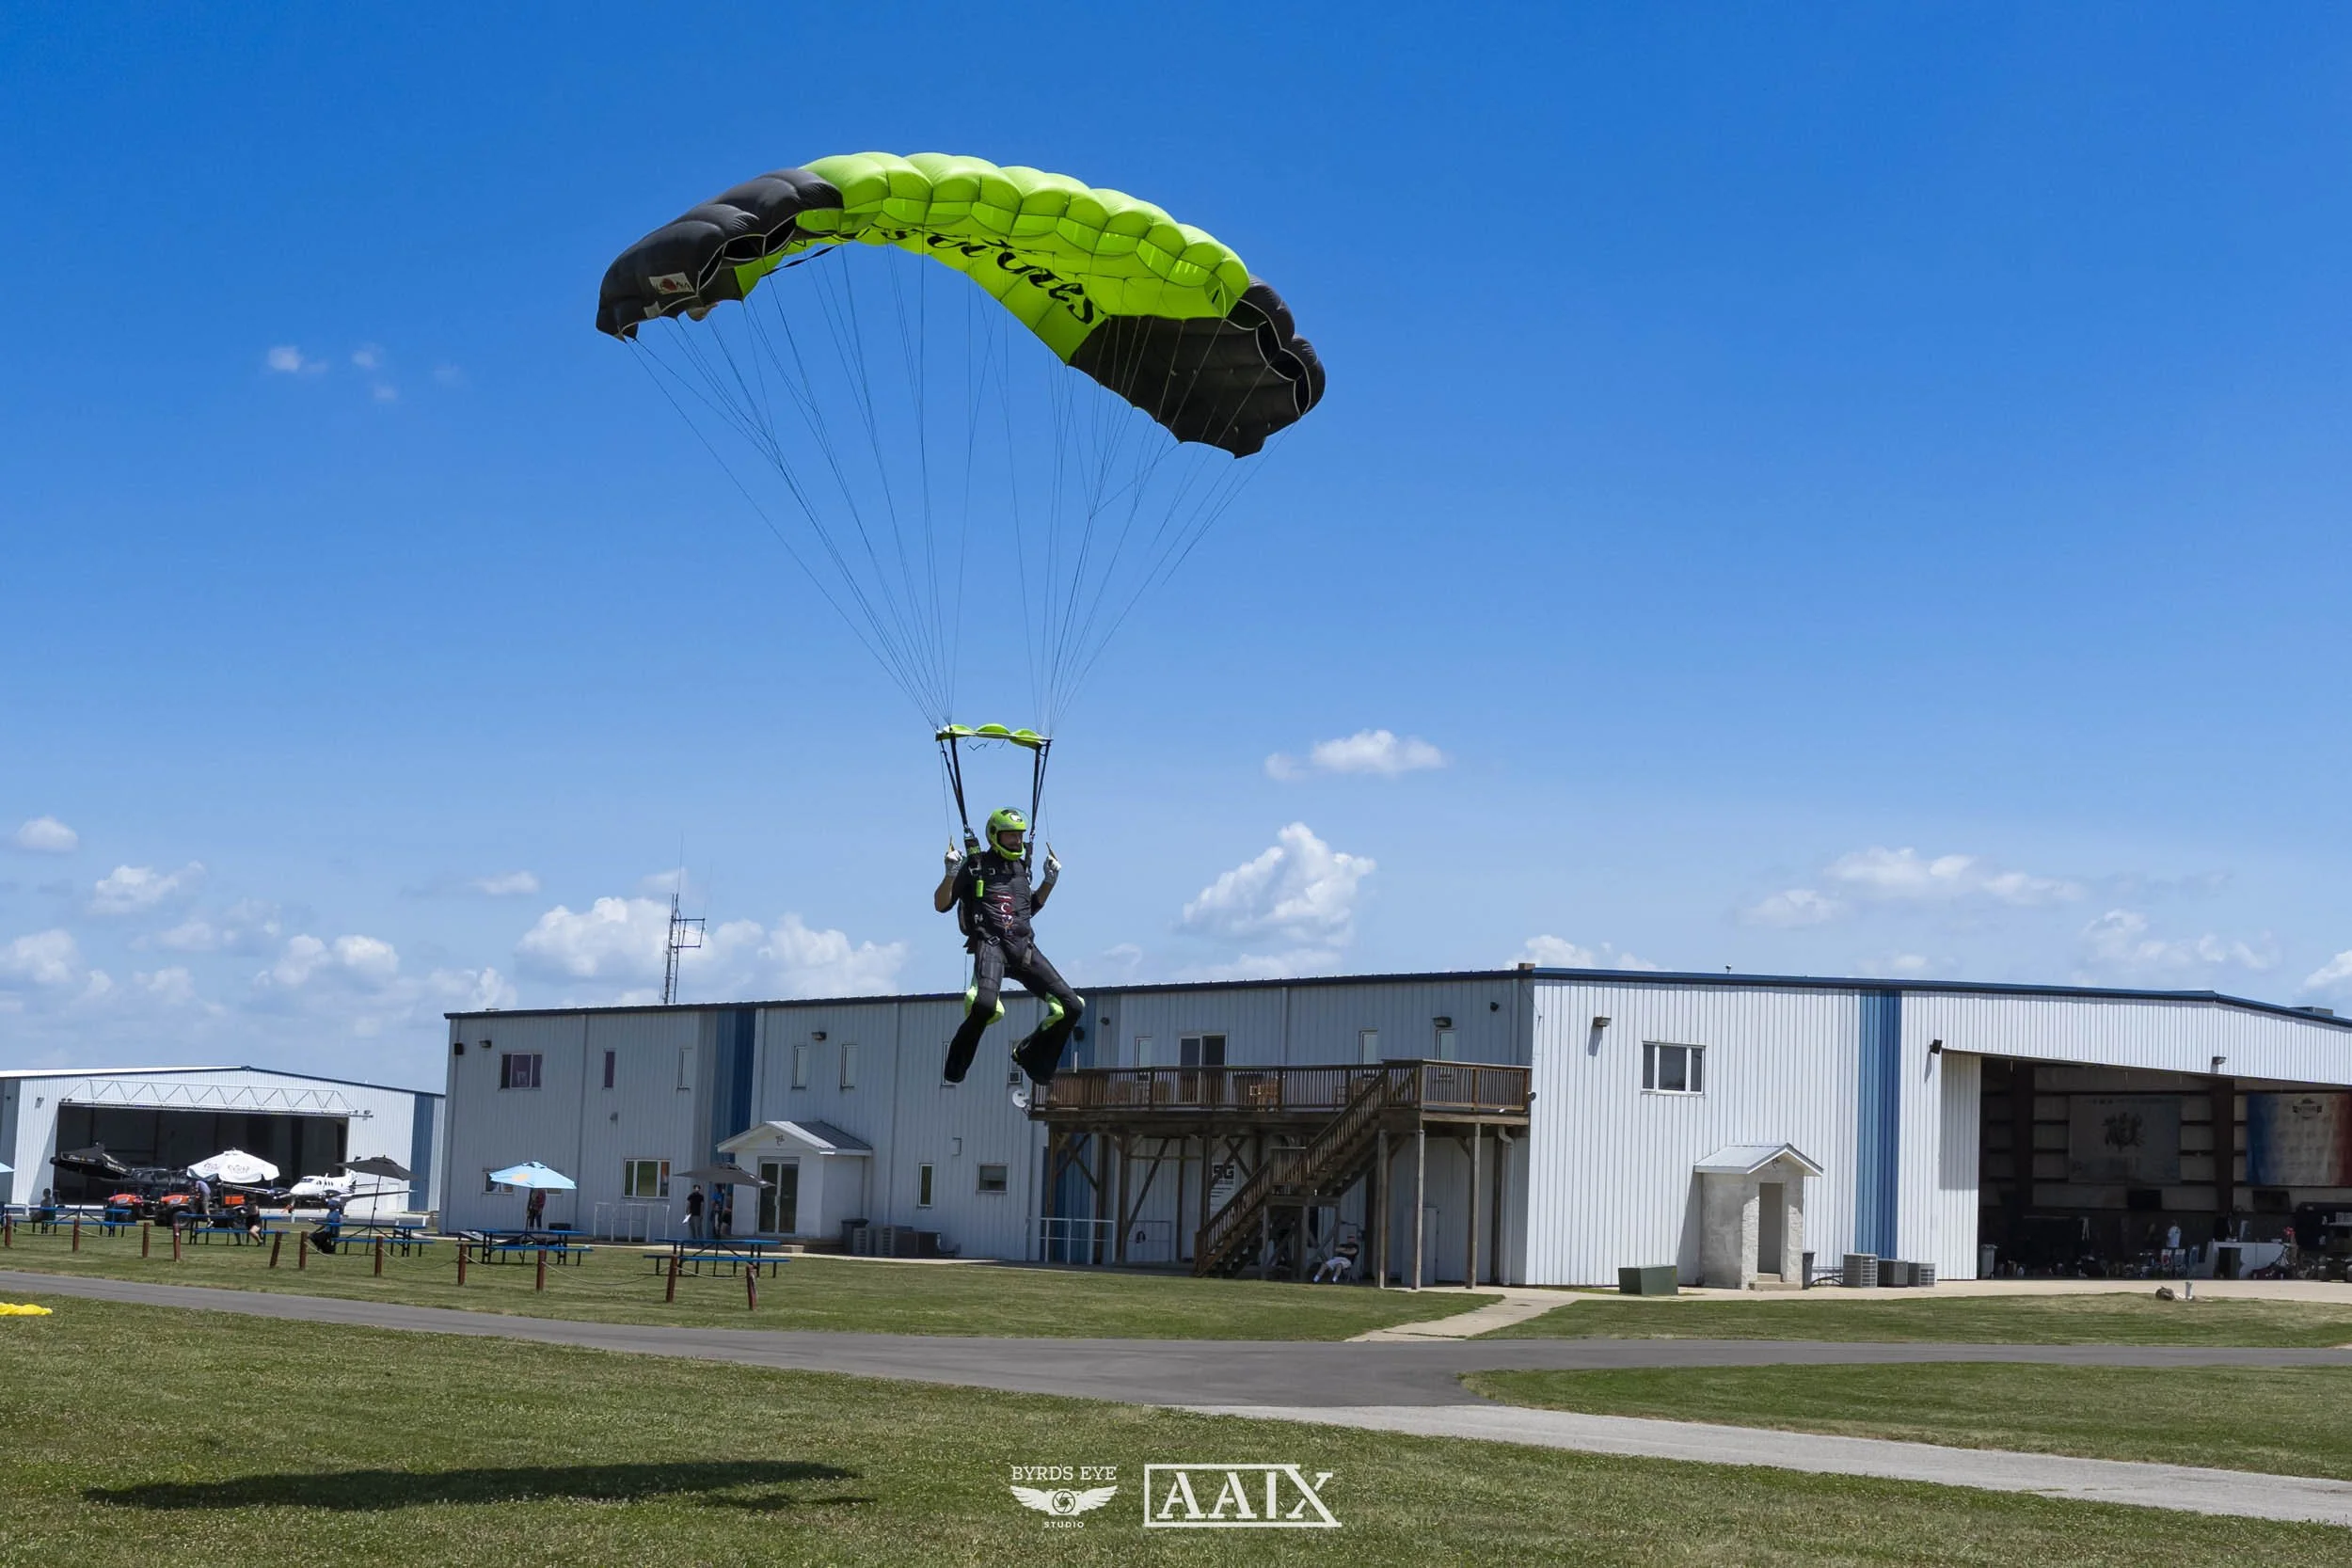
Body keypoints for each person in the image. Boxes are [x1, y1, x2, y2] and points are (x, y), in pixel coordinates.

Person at [934, 807, 1083, 1104]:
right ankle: (955, 1068)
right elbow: (942, 904)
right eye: (1010, 836)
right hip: (991, 944)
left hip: (1023, 947)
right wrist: (950, 874)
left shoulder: (1019, 870)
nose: (1016, 842)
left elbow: (1029, 908)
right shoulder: (975, 865)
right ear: (995, 835)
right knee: (986, 1005)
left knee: (1073, 1006)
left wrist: (1049, 882)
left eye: (1018, 836)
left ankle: (1031, 1056)